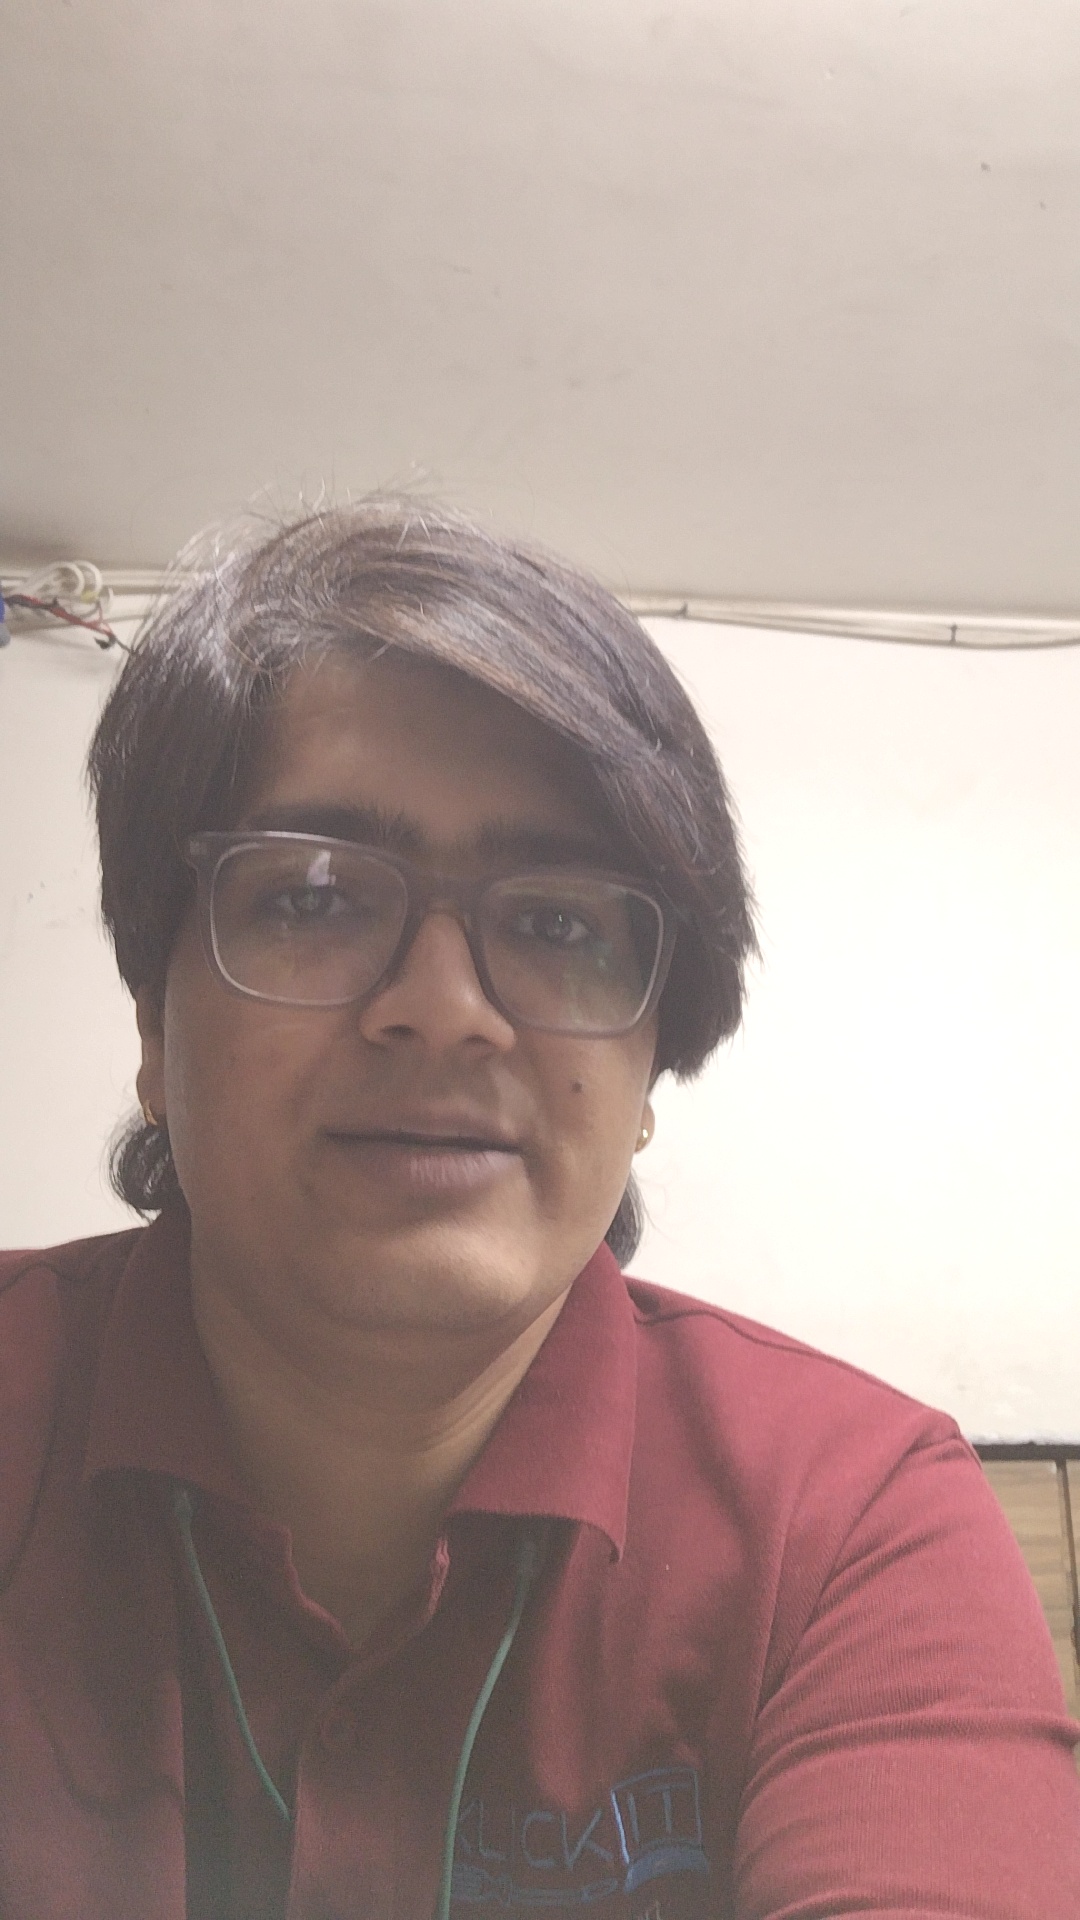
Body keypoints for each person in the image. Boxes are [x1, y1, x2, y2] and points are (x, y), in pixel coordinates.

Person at [1, 499, 1077, 1920]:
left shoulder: (848, 1521)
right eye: (313, 898)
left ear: (648, 1076)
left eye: (560, 924)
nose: (444, 1010)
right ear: (153, 1018)